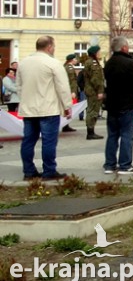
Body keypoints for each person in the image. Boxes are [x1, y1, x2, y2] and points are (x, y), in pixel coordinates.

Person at [17, 36, 73, 180]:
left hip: (29, 109)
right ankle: (49, 171)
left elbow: (19, 86)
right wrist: (67, 106)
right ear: (49, 47)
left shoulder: (23, 63)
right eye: (53, 46)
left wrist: (24, 101)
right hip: (48, 108)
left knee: (28, 141)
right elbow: (63, 87)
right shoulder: (53, 63)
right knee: (48, 141)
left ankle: (28, 172)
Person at [102, 37, 133, 175]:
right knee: (127, 135)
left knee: (112, 135)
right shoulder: (129, 63)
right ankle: (125, 165)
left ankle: (109, 164)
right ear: (124, 48)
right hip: (127, 103)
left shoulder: (109, 63)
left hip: (112, 104)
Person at [81, 45, 105, 140]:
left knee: (91, 110)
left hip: (90, 90)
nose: (100, 53)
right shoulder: (93, 63)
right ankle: (90, 132)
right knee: (92, 111)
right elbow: (96, 79)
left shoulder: (89, 62)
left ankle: (91, 131)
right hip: (93, 91)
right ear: (95, 53)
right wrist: (100, 91)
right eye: (99, 52)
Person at [61, 54, 79, 132]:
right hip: (70, 91)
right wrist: (73, 91)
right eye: (75, 59)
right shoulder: (70, 68)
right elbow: (71, 81)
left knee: (68, 108)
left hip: (69, 90)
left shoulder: (67, 67)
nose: (76, 60)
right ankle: (65, 125)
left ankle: (66, 125)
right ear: (71, 60)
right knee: (68, 108)